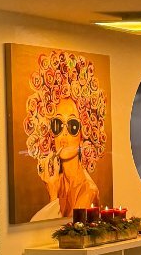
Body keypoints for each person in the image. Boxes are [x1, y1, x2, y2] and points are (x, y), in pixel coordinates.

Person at [26, 51, 107, 221]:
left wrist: (53, 193)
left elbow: (65, 236)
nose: (63, 135)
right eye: (57, 125)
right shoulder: (56, 178)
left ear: (85, 133)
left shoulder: (88, 190)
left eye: (72, 126)